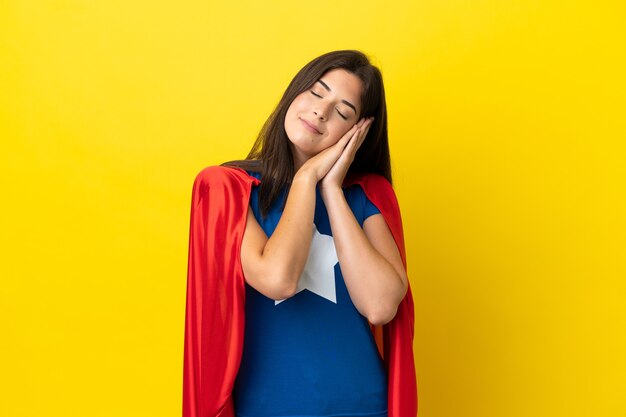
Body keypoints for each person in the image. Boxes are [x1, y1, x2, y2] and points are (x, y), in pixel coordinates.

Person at [183, 50, 417, 417]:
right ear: (294, 93)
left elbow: (381, 306)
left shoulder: (366, 196)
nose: (321, 112)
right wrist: (306, 179)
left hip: (363, 407)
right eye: (316, 92)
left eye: (343, 112)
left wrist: (332, 191)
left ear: (357, 133)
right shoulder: (228, 190)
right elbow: (278, 279)